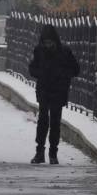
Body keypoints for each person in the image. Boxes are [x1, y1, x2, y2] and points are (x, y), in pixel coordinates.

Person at [28, 24, 80, 165]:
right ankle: (40, 152)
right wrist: (41, 73)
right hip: (44, 90)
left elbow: (76, 69)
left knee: (55, 123)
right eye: (46, 43)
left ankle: (53, 153)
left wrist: (62, 76)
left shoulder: (64, 52)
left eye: (50, 42)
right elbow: (32, 68)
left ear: (55, 41)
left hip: (58, 91)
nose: (48, 45)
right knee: (42, 121)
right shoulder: (39, 51)